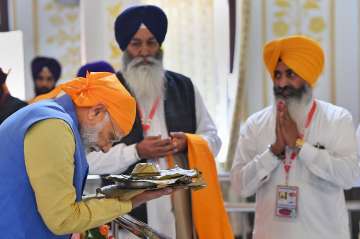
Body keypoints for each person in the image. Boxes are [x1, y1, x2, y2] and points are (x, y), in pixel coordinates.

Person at [86, 5, 226, 239]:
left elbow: (214, 140)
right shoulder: (107, 93)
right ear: (125, 47)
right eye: (136, 44)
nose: (144, 51)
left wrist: (189, 143)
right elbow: (90, 161)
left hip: (181, 212)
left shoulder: (185, 87)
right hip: (128, 219)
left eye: (151, 43)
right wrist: (136, 151)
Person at [0, 72, 173, 238]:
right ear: (96, 111)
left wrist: (129, 194)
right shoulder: (54, 127)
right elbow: (63, 219)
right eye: (110, 138)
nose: (106, 149)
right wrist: (131, 202)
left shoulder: (54, 118)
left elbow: (62, 201)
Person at [230, 35, 360, 239]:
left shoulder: (337, 118)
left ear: (308, 76)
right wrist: (273, 151)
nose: (282, 83)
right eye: (277, 75)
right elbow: (239, 185)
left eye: (291, 74)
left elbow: (351, 176)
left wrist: (300, 146)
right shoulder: (256, 123)